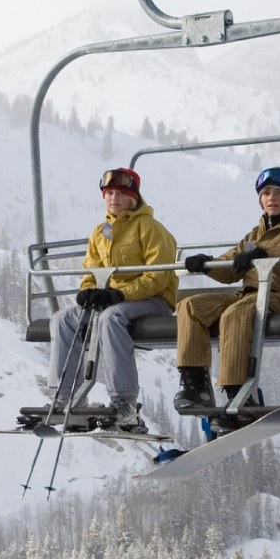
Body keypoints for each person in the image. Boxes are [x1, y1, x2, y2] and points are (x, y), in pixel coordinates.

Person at [174, 166, 280, 420]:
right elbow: (230, 269)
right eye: (266, 193)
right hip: (248, 295)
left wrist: (265, 255)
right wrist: (207, 264)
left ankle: (239, 393)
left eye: (279, 192)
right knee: (190, 306)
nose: (271, 198)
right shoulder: (256, 234)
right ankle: (196, 386)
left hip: (279, 297)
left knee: (235, 313)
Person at [46, 167, 178, 432]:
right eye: (109, 193)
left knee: (110, 318)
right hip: (114, 301)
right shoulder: (100, 232)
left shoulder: (151, 228)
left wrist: (119, 294)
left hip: (152, 302)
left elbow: (158, 277)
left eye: (120, 193)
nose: (113, 198)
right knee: (62, 318)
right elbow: (91, 271)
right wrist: (88, 291)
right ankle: (63, 398)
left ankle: (125, 403)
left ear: (134, 198)